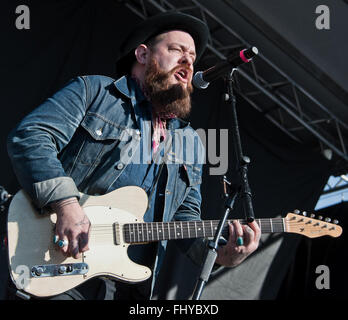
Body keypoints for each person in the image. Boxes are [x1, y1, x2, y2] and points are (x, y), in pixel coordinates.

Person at [7, 12, 261, 300]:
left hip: (127, 287)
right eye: (177, 49)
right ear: (142, 54)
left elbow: (184, 219)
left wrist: (218, 254)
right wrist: (66, 204)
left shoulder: (190, 142)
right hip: (57, 256)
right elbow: (31, 136)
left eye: (192, 56)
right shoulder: (94, 93)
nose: (189, 61)